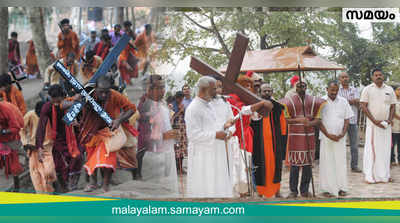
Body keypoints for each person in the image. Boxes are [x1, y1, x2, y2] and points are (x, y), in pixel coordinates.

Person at [76, 75, 136, 192]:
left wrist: (118, 120)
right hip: (90, 132)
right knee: (91, 158)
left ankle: (105, 185)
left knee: (108, 158)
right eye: (101, 92)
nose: (104, 95)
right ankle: (93, 183)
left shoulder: (114, 95)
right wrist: (78, 101)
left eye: (106, 92)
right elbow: (68, 105)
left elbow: (131, 108)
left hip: (109, 132)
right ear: (96, 89)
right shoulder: (87, 95)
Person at [185, 76, 233, 198]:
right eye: (213, 89)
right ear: (203, 89)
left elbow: (212, 126)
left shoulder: (209, 105)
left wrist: (225, 127)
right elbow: (193, 135)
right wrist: (216, 135)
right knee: (205, 186)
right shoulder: (193, 108)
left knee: (216, 184)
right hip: (202, 155)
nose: (215, 92)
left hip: (215, 152)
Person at [279, 81, 325, 198]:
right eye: (299, 86)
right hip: (295, 136)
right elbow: (287, 119)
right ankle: (293, 190)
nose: (301, 88)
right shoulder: (289, 101)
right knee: (294, 165)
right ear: (295, 87)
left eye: (303, 86)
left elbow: (318, 120)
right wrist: (300, 120)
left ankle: (304, 190)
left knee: (307, 165)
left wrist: (309, 122)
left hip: (309, 135)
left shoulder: (313, 101)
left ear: (306, 87)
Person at [35, 85, 82, 193]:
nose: (56, 104)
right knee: (59, 165)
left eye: (58, 102)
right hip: (58, 139)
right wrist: (39, 147)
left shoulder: (73, 104)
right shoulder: (47, 107)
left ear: (64, 97)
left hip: (75, 137)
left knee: (77, 158)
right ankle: (65, 189)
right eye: (54, 102)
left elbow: (83, 120)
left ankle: (73, 185)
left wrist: (78, 123)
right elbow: (41, 127)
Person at [139, 75, 179, 196]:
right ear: (149, 89)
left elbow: (166, 127)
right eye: (159, 88)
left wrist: (172, 135)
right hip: (153, 156)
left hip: (167, 153)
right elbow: (143, 135)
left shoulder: (163, 106)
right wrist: (164, 136)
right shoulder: (144, 106)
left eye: (163, 87)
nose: (163, 91)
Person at [208, 75, 246, 197]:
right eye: (215, 87)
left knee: (226, 171)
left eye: (220, 87)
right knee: (213, 172)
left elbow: (231, 121)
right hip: (212, 142)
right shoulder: (205, 104)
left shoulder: (226, 103)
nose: (218, 90)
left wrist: (230, 132)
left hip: (226, 142)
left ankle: (226, 195)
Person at [251, 83, 287, 198]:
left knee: (276, 166)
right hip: (259, 142)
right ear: (259, 92)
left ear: (272, 92)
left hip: (274, 143)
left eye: (269, 91)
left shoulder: (278, 107)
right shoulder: (255, 105)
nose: (267, 93)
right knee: (259, 165)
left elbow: (283, 127)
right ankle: (260, 192)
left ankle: (277, 191)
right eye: (264, 91)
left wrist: (282, 141)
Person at [360, 68, 395, 184]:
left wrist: (389, 120)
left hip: (385, 125)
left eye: (380, 75)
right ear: (372, 77)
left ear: (383, 76)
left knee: (385, 150)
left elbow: (393, 106)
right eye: (376, 75)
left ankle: (384, 175)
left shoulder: (389, 89)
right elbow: (363, 106)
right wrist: (374, 121)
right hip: (373, 125)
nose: (378, 77)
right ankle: (370, 175)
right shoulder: (367, 89)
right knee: (372, 150)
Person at [319, 80, 353, 197]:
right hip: (326, 137)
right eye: (332, 90)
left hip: (340, 138)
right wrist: (328, 135)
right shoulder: (321, 101)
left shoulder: (343, 101)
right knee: (327, 162)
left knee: (340, 162)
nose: (334, 92)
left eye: (336, 90)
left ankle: (341, 188)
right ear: (326, 89)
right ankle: (326, 189)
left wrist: (343, 133)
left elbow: (347, 118)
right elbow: (318, 121)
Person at [20, 101, 54, 193]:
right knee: (35, 175)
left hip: (47, 148)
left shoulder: (52, 114)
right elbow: (22, 129)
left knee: (48, 173)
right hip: (33, 149)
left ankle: (50, 194)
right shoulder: (31, 115)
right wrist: (25, 143)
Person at [338, 72, 362, 173]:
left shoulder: (354, 89)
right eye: (343, 77)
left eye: (346, 77)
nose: (345, 79)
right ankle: (339, 166)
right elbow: (338, 103)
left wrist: (346, 101)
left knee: (354, 145)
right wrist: (351, 101)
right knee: (339, 144)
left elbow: (358, 102)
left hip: (352, 120)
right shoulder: (337, 90)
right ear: (340, 79)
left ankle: (354, 166)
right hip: (340, 121)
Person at [0, 100, 24, 192]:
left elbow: (16, 128)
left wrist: (3, 131)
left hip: (11, 137)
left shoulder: (7, 110)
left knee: (14, 166)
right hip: (2, 139)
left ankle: (17, 187)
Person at [171, 91, 188, 175]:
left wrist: (183, 111)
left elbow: (185, 116)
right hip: (176, 128)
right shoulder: (172, 105)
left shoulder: (182, 104)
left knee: (182, 148)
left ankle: (181, 168)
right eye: (180, 98)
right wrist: (180, 110)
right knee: (176, 148)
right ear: (177, 98)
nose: (181, 100)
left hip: (183, 128)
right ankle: (176, 168)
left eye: (182, 99)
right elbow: (172, 117)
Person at [391, 86, 400, 166]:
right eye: (398, 90)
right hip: (394, 124)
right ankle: (392, 160)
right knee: (392, 144)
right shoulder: (393, 101)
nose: (399, 91)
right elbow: (392, 112)